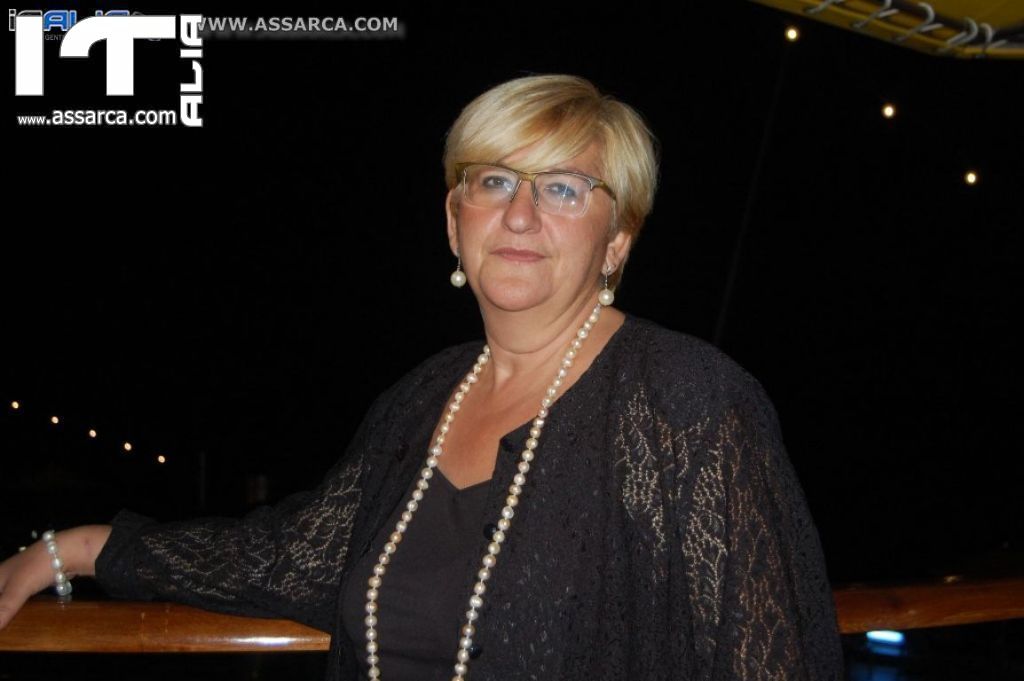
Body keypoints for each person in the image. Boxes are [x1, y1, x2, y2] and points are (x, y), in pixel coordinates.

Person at [0, 74, 844, 680]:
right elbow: (290, 557)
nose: (520, 214)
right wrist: (75, 548)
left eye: (562, 188)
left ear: (616, 239)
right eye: (494, 181)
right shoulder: (420, 401)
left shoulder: (687, 401)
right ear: (453, 219)